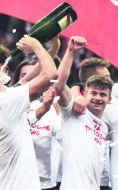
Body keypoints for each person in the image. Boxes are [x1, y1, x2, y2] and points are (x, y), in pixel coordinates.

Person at [0, 35, 57, 190]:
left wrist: (54, 46)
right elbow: (50, 74)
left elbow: (36, 72)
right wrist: (36, 45)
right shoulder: (5, 102)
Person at [54, 36, 113, 189]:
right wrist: (70, 51)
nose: (98, 98)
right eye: (94, 93)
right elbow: (59, 86)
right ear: (84, 93)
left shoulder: (104, 127)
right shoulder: (74, 111)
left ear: (109, 98)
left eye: (102, 94)